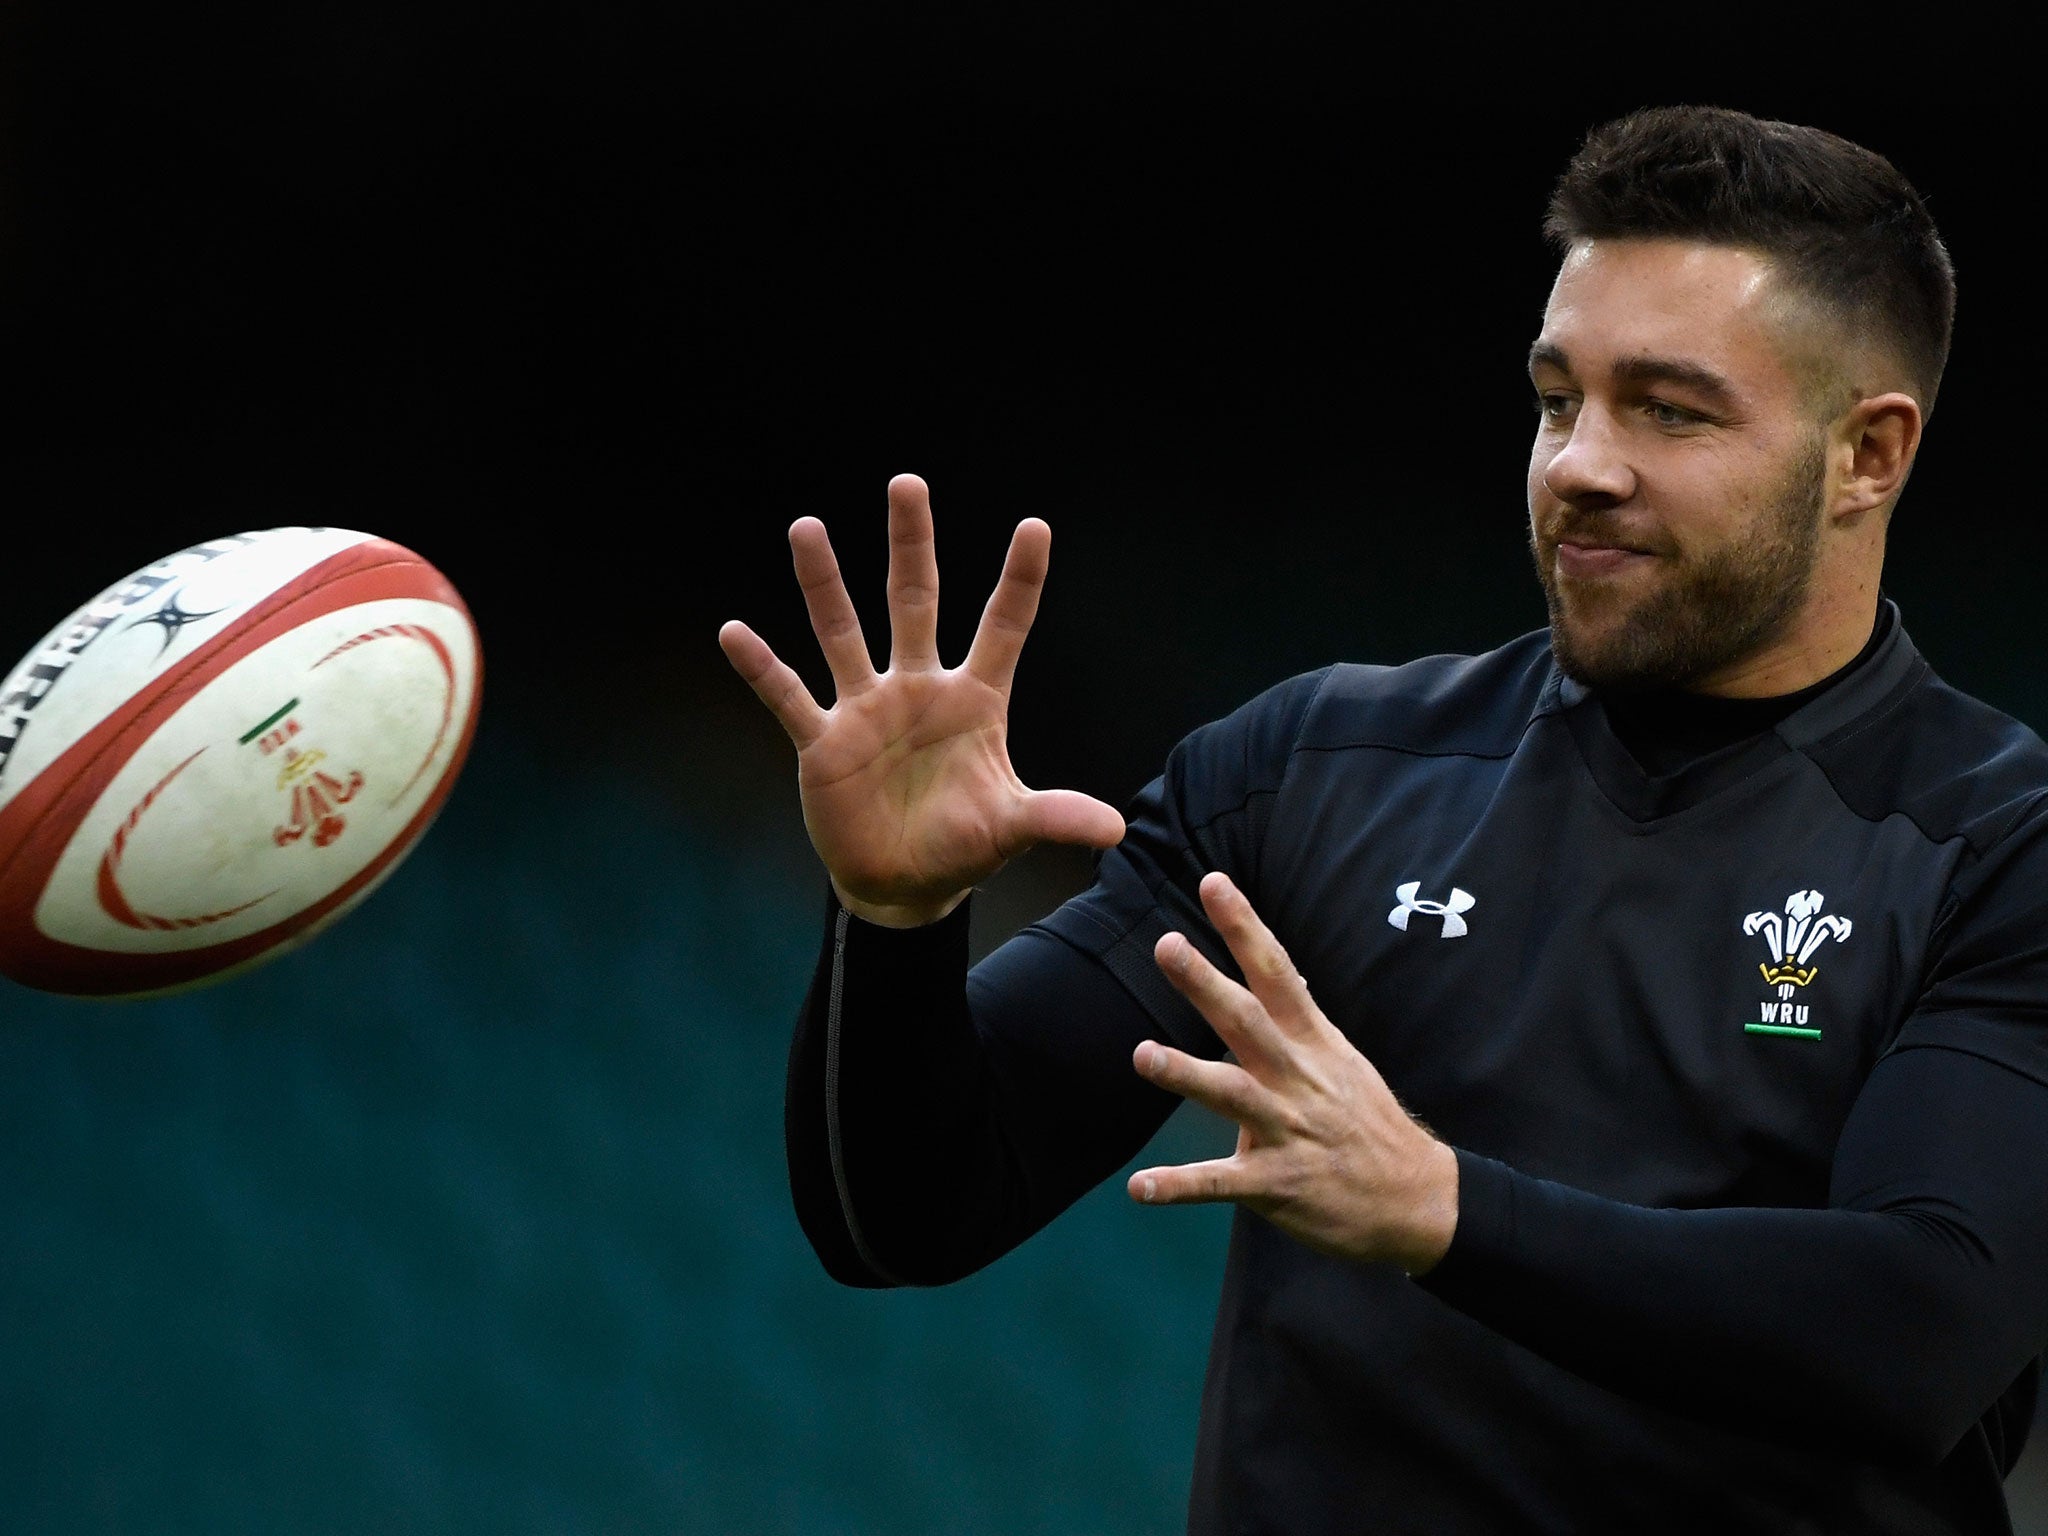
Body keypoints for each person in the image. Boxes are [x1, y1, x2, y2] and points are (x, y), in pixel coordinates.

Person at [718, 104, 2048, 1535]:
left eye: (1669, 409)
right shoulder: (1318, 767)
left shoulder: (1997, 843)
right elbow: (902, 1218)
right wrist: (898, 924)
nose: (1580, 463)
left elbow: (1919, 1334)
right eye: (1557, 398)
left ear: (1870, 454)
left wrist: (1446, 1211)